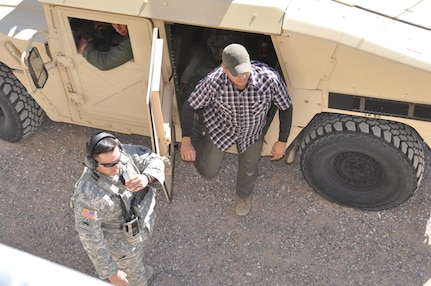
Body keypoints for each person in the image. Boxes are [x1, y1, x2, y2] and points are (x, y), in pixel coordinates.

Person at [180, 43, 292, 217]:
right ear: (224, 68)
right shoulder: (213, 82)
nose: (243, 76)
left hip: (252, 133)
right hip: (220, 129)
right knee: (208, 172)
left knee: (249, 169)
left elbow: (286, 107)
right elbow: (189, 106)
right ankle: (197, 134)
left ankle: (243, 196)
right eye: (236, 72)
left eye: (245, 70)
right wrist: (186, 141)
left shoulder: (269, 79)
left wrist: (282, 140)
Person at [71, 132, 165, 286]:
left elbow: (154, 159)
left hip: (140, 228)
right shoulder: (87, 196)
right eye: (109, 165)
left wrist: (146, 177)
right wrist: (111, 272)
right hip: (122, 247)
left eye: (117, 160)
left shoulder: (120, 154)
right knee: (133, 278)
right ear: (92, 163)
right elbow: (90, 238)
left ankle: (137, 270)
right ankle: (138, 278)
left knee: (137, 261)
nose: (117, 167)